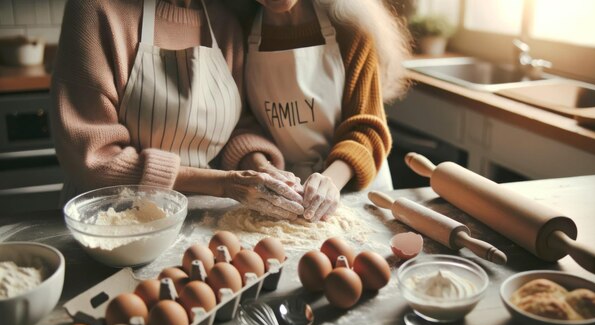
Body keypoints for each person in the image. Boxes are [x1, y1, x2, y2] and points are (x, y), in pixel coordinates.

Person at [51, 0, 305, 220]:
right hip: (110, 220)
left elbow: (236, 125)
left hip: (202, 215)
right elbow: (93, 159)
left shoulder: (224, 21)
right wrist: (224, 184)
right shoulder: (96, 10)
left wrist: (260, 168)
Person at [221, 0, 411, 222]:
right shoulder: (238, 31)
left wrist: (330, 181)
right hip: (286, 196)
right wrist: (263, 169)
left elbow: (366, 128)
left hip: (353, 186)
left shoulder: (350, 27)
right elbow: (241, 123)